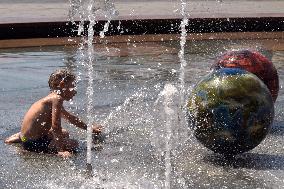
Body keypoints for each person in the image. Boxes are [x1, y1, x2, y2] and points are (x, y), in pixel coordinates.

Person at [4, 69, 102, 158]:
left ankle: (21, 137)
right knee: (73, 144)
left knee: (65, 133)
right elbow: (55, 126)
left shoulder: (51, 99)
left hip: (26, 138)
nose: (75, 91)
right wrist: (61, 150)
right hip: (32, 144)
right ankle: (29, 140)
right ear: (62, 85)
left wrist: (89, 128)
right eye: (72, 87)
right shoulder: (57, 99)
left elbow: (70, 118)